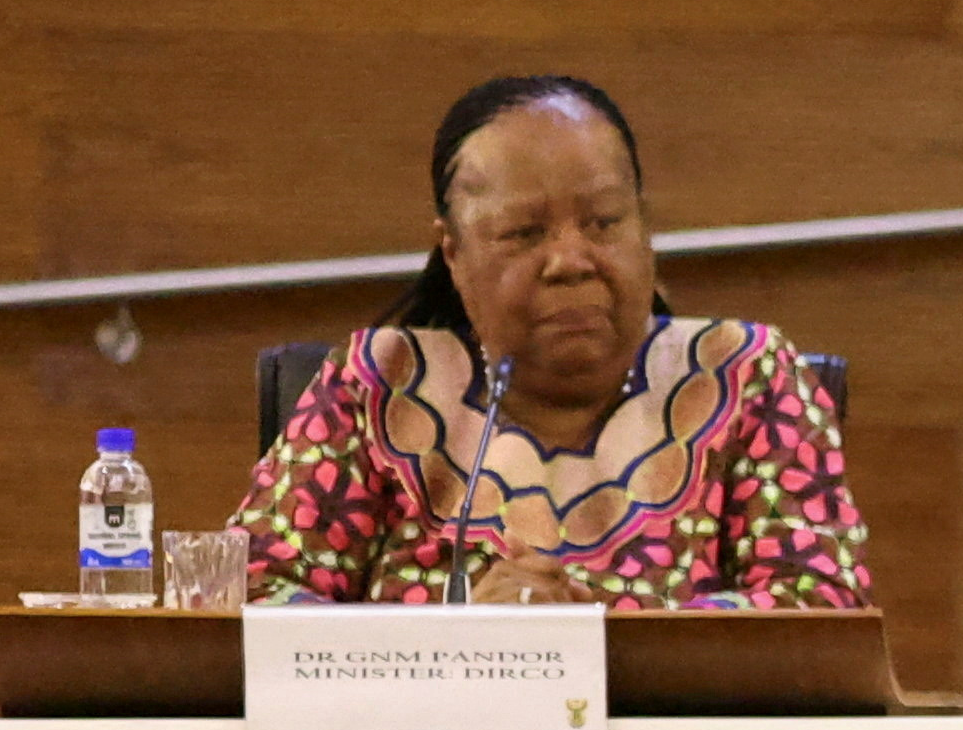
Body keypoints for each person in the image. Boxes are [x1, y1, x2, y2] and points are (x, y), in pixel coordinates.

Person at [237, 73, 868, 608]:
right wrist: (448, 646)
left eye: (603, 222)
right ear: (454, 254)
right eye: (523, 233)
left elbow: (816, 607)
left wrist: (585, 644)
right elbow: (253, 597)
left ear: (645, 228)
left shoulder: (744, 376)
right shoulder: (377, 384)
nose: (571, 260)